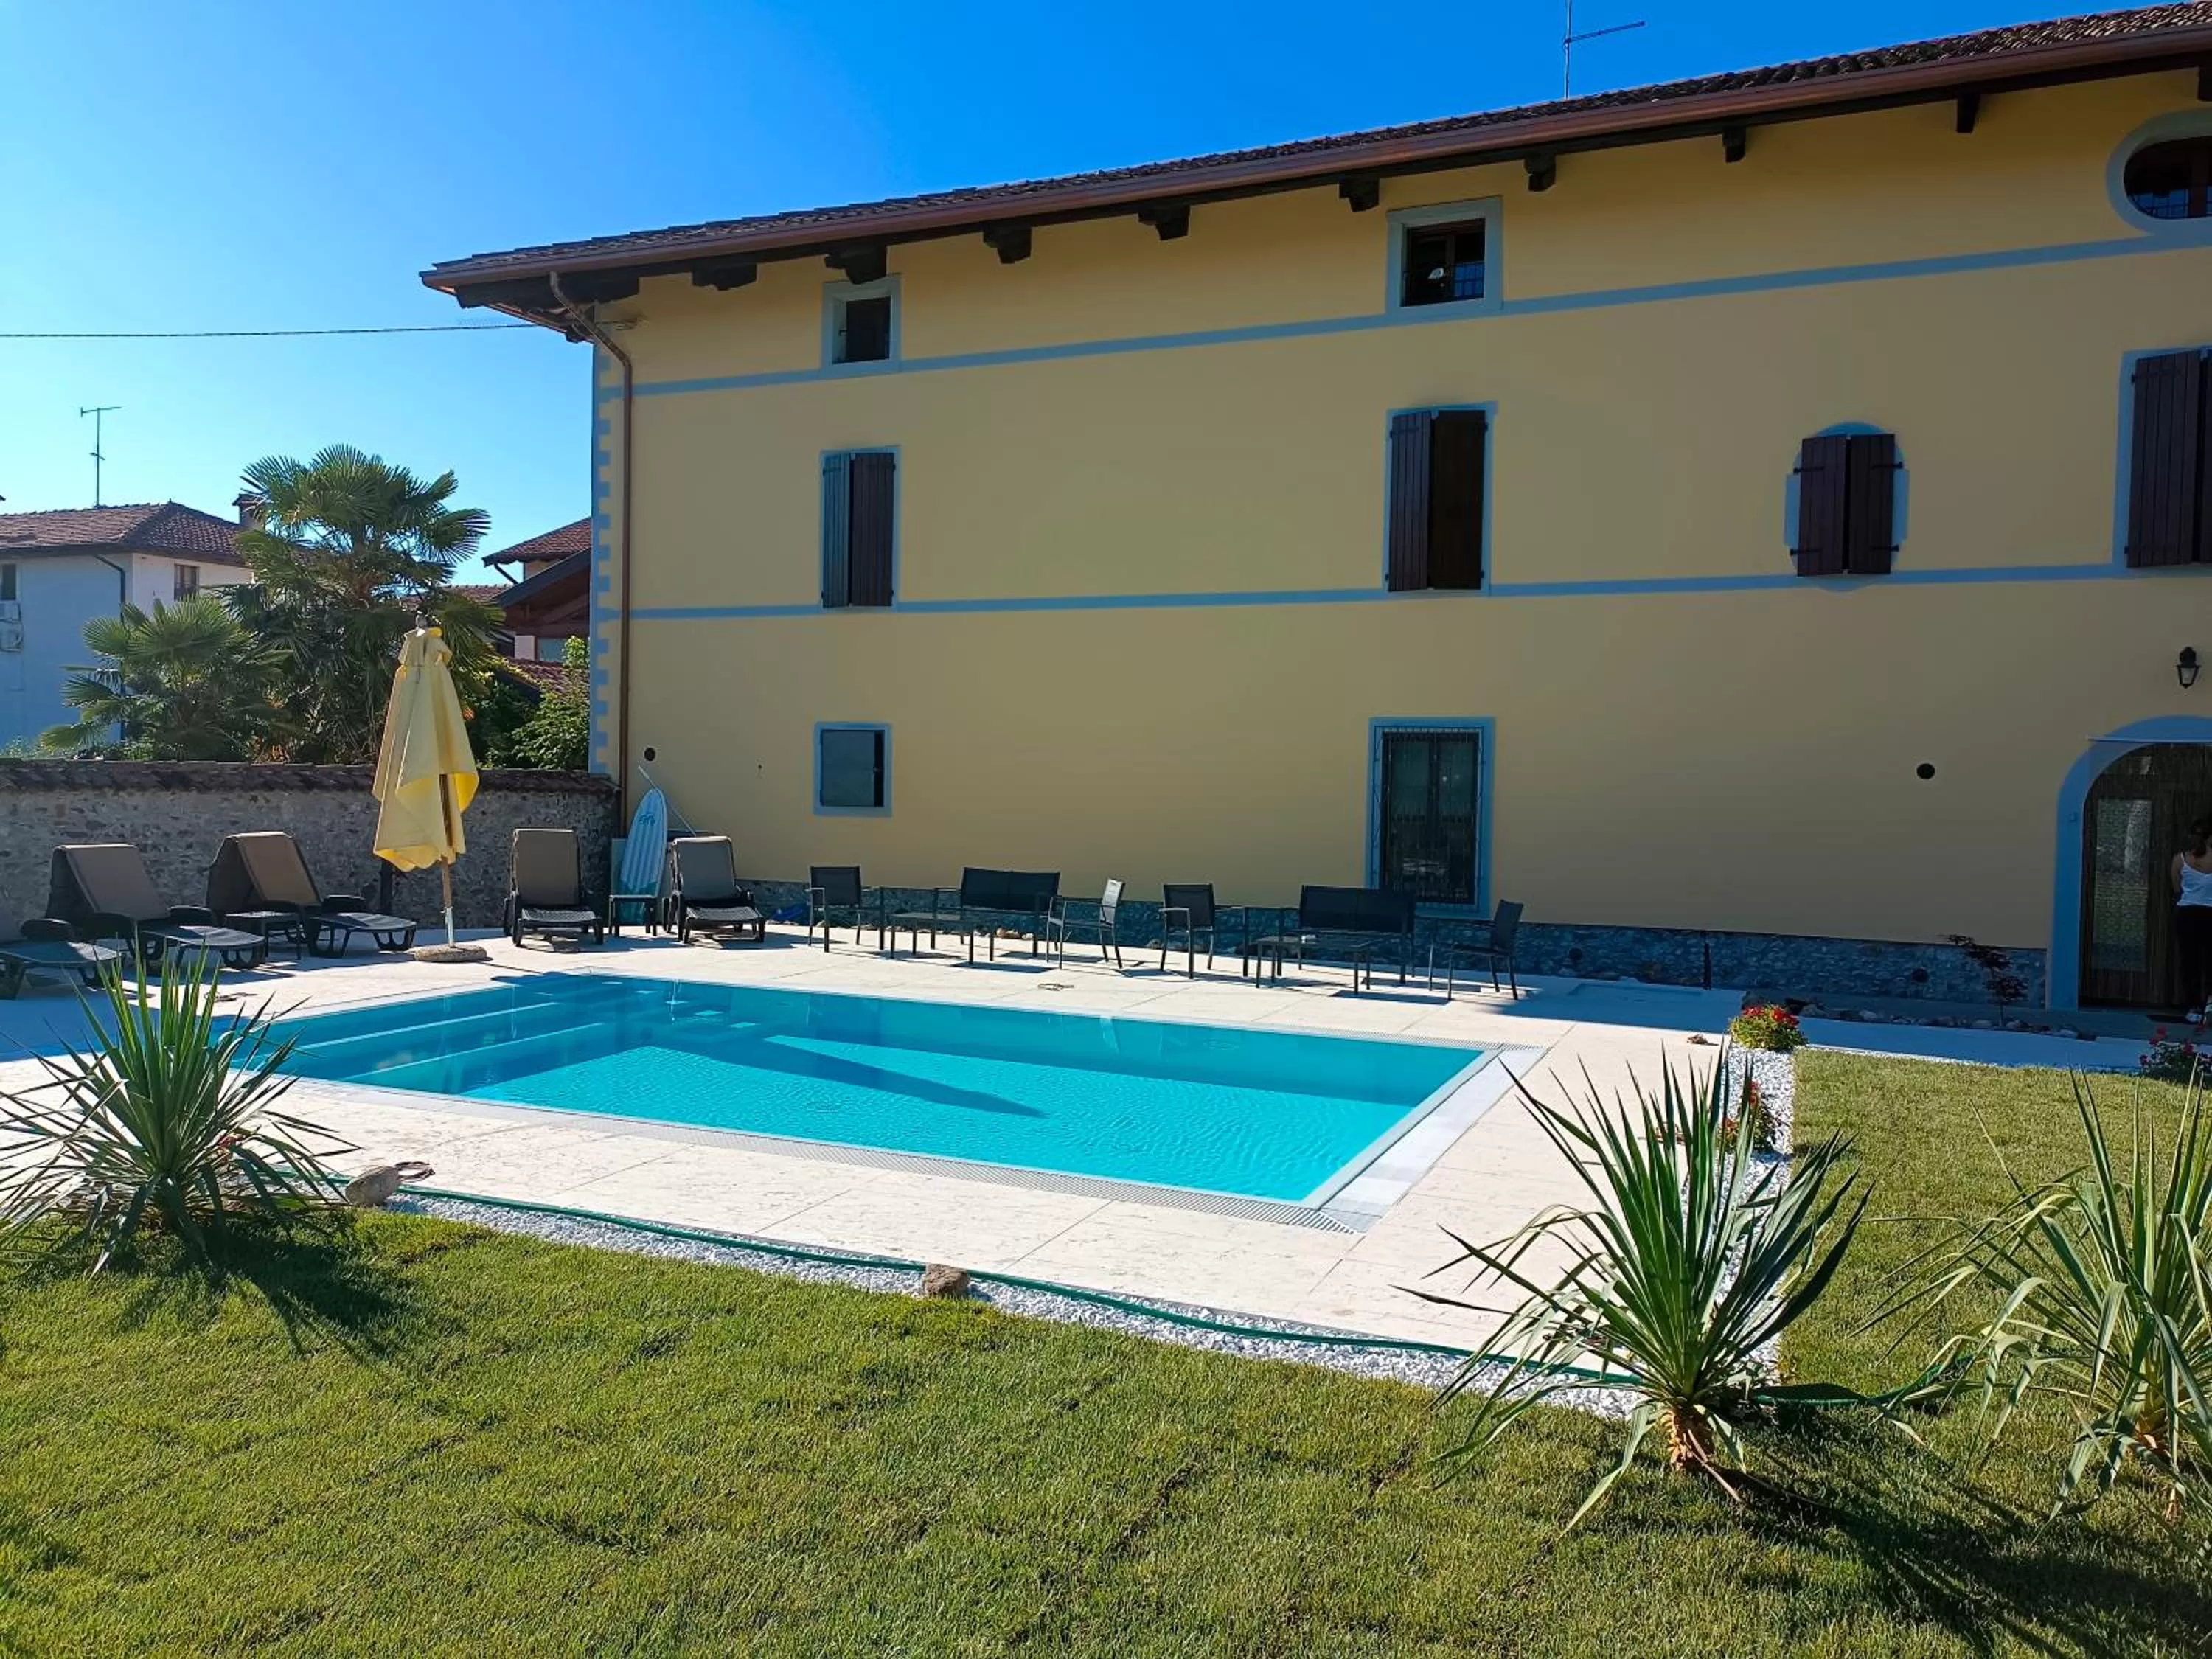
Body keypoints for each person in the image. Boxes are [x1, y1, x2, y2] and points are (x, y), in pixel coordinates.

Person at [2173, 818, 2212, 1022]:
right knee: (2203, 961)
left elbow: (2177, 888)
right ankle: (2204, 1005)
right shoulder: (2182, 859)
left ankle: (2195, 1007)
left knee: (2191, 962)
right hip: (2203, 913)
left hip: (2188, 913)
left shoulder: (2180, 859)